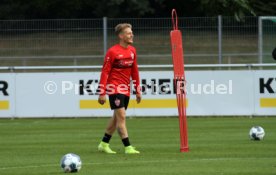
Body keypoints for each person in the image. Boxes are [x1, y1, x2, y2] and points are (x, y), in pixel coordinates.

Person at [97, 23, 141, 154]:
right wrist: (102, 92)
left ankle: (103, 144)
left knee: (116, 118)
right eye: (128, 33)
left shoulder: (132, 50)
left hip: (125, 89)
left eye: (131, 32)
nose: (131, 34)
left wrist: (138, 89)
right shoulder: (112, 52)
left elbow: (135, 72)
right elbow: (105, 72)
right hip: (114, 88)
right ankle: (128, 147)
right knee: (121, 116)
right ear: (121, 36)